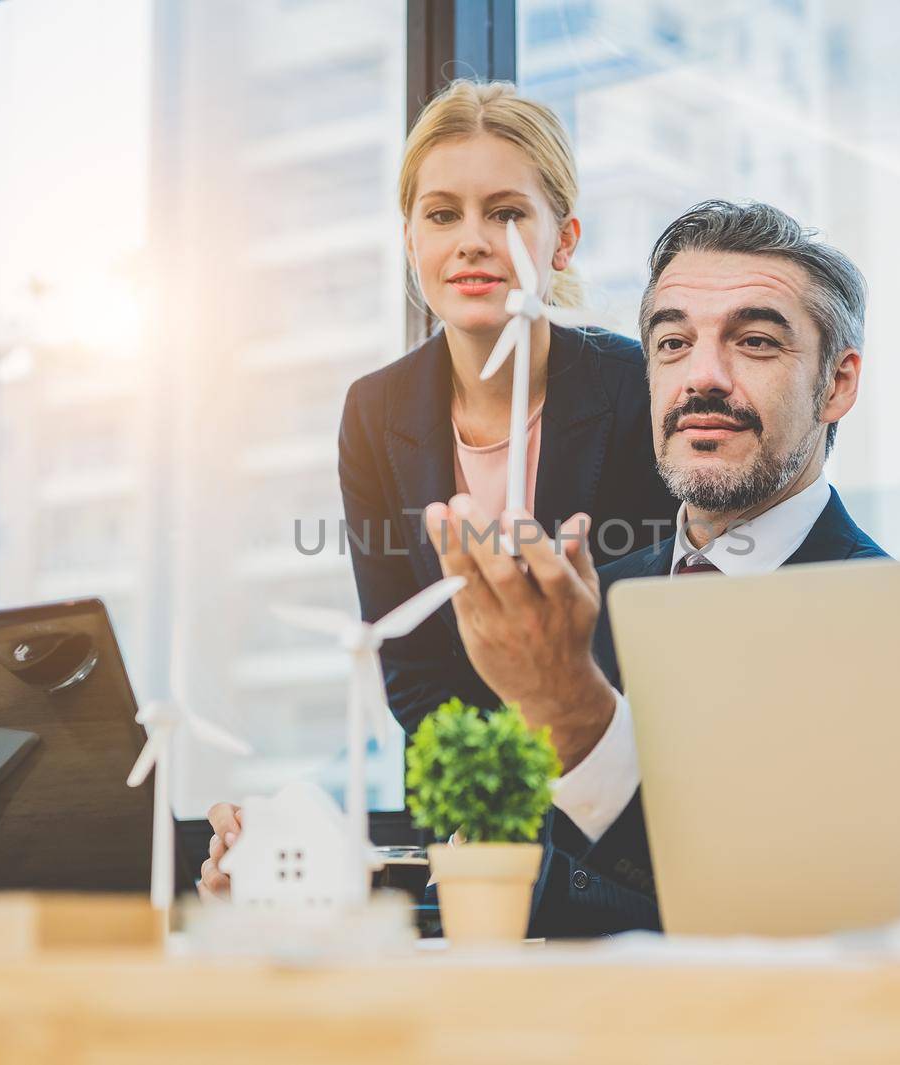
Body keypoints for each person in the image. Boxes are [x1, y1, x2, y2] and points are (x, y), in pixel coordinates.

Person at [197, 81, 675, 901]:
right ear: (409, 239)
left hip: (626, 828)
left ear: (564, 241)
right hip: (470, 829)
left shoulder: (637, 388)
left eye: (508, 213)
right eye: (443, 214)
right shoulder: (374, 412)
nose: (473, 242)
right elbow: (407, 663)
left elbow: (648, 640)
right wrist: (481, 801)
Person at [424, 200, 886, 935]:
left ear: (837, 384)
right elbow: (526, 885)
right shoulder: (580, 605)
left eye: (756, 342)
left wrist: (577, 717)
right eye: (672, 343)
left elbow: (795, 913)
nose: (702, 377)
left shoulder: (894, 623)